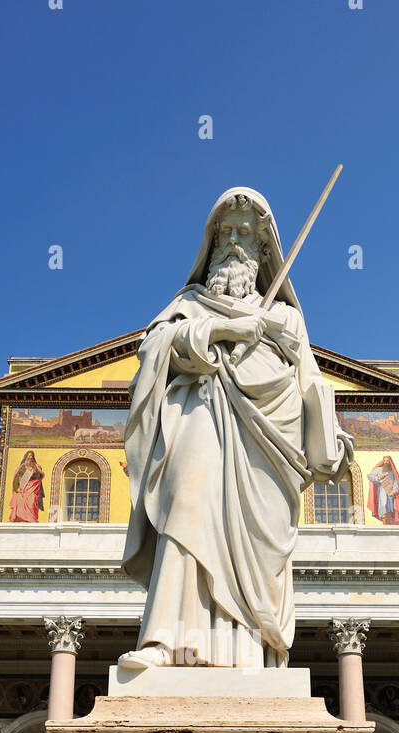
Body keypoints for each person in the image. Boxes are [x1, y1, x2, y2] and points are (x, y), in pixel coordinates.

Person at [118, 186, 354, 671]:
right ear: (210, 243)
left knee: (254, 545)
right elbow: (154, 349)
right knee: (185, 499)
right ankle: (167, 640)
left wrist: (328, 432)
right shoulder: (192, 302)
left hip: (266, 447)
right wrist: (225, 330)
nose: (232, 243)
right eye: (225, 233)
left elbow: (309, 379)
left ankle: (247, 651)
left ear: (263, 250)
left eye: (244, 234)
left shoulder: (285, 315)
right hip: (201, 415)